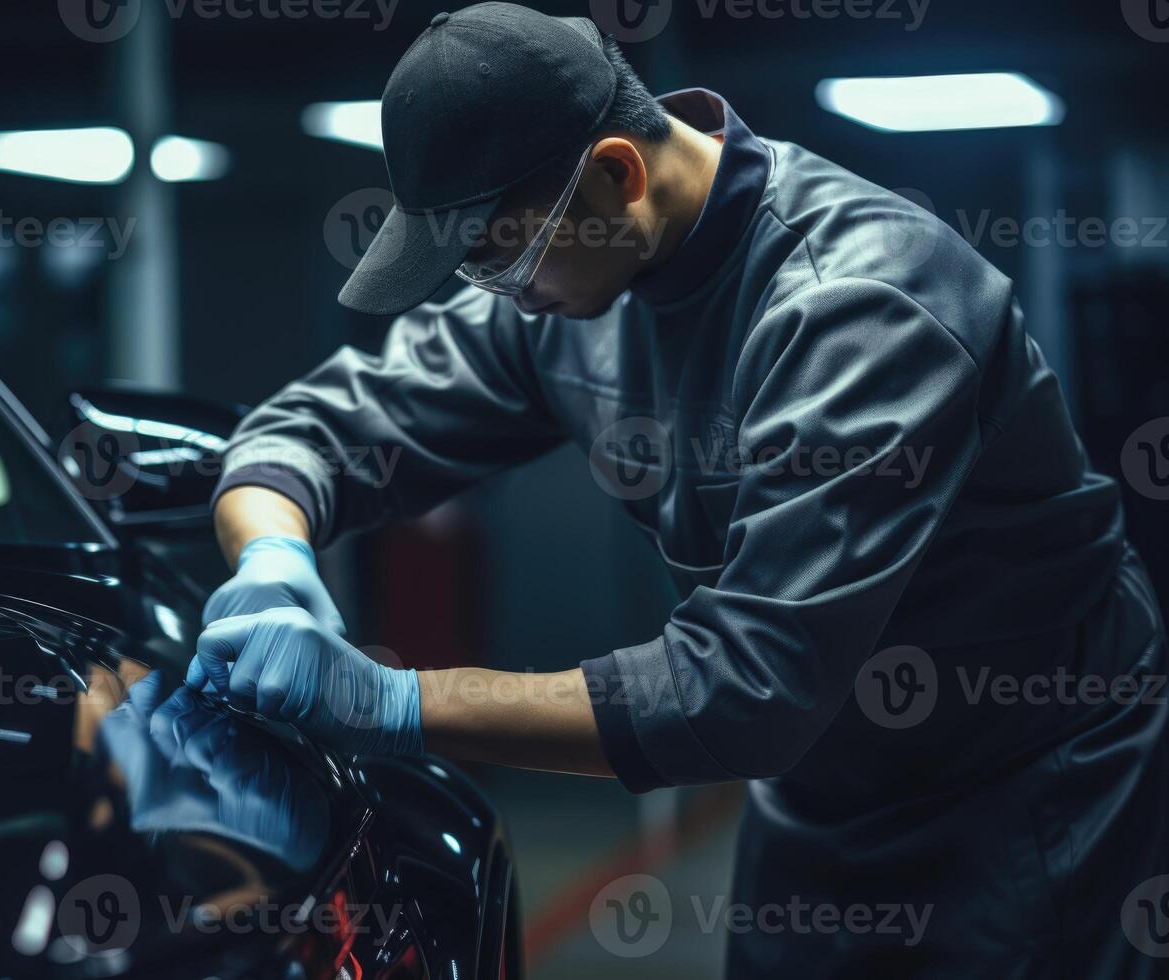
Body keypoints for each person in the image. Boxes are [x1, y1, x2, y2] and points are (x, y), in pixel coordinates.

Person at [186, 4, 1168, 974]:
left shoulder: (860, 308)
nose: (499, 287)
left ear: (616, 173)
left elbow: (744, 684)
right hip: (820, 790)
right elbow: (311, 429)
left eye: (498, 252)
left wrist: (391, 700)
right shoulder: (568, 287)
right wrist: (273, 554)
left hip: (1028, 793)